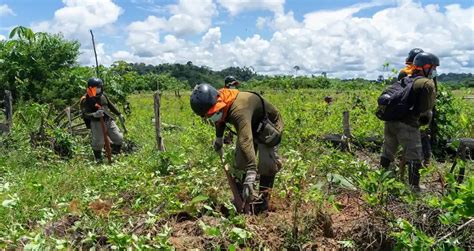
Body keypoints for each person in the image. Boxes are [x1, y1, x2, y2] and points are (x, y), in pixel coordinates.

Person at [190, 83, 283, 213]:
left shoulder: (239, 109)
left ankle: (263, 203)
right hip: (248, 125)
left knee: (267, 164)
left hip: (267, 126)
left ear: (218, 102)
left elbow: (246, 139)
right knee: (240, 162)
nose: (212, 117)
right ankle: (245, 202)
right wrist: (219, 139)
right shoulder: (220, 100)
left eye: (213, 113)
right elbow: (220, 119)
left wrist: (251, 171)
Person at [380, 52, 439, 191]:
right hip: (407, 125)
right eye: (433, 67)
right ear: (425, 66)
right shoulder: (426, 83)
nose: (434, 71)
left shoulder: (405, 80)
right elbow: (426, 110)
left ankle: (381, 181)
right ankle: (414, 188)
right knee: (415, 156)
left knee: (387, 152)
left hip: (390, 123)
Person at [80, 78, 124, 162]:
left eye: (99, 87)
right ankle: (98, 159)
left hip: (108, 120)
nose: (98, 89)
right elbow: (85, 114)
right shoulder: (85, 99)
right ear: (90, 88)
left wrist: (119, 114)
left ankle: (115, 153)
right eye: (96, 87)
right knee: (98, 143)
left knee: (118, 138)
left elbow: (110, 105)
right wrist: (94, 114)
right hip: (96, 123)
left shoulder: (103, 95)